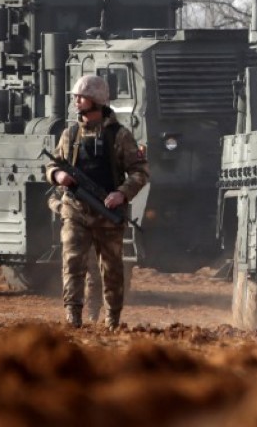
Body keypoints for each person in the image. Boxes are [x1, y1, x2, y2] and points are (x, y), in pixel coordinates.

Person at [46, 74, 148, 330]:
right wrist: (58, 175)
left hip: (108, 213)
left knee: (112, 269)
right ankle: (73, 316)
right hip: (75, 210)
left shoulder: (120, 135)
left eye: (81, 97)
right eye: (76, 97)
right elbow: (53, 165)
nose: (76, 101)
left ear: (97, 101)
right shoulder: (69, 134)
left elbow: (139, 171)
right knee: (72, 263)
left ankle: (112, 319)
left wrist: (122, 193)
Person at [47, 191, 103, 323]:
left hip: (97, 230)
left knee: (95, 277)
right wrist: (62, 208)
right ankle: (73, 314)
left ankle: (93, 314)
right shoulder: (71, 180)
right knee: (73, 270)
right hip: (76, 232)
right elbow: (52, 198)